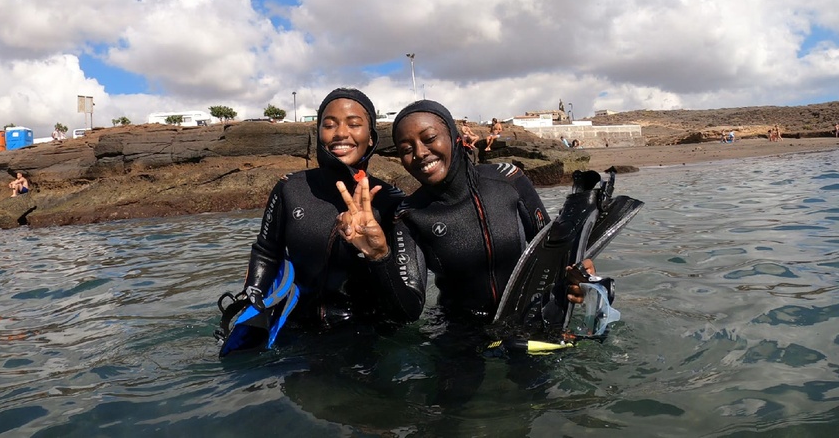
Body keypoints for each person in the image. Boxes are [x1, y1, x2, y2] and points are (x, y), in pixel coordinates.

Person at [339, 100, 595, 325]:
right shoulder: (409, 214)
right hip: (459, 334)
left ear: (454, 137)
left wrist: (578, 279)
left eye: (429, 139)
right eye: (406, 149)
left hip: (527, 319)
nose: (419, 153)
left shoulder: (508, 180)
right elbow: (408, 311)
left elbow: (554, 253)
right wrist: (379, 256)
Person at [236, 88, 418, 339]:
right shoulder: (290, 189)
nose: (341, 133)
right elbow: (267, 251)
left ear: (372, 137)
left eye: (354, 124)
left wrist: (379, 255)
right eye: (329, 125)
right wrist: (251, 296)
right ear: (319, 132)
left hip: (366, 339)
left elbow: (407, 310)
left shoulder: (390, 201)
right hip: (297, 334)